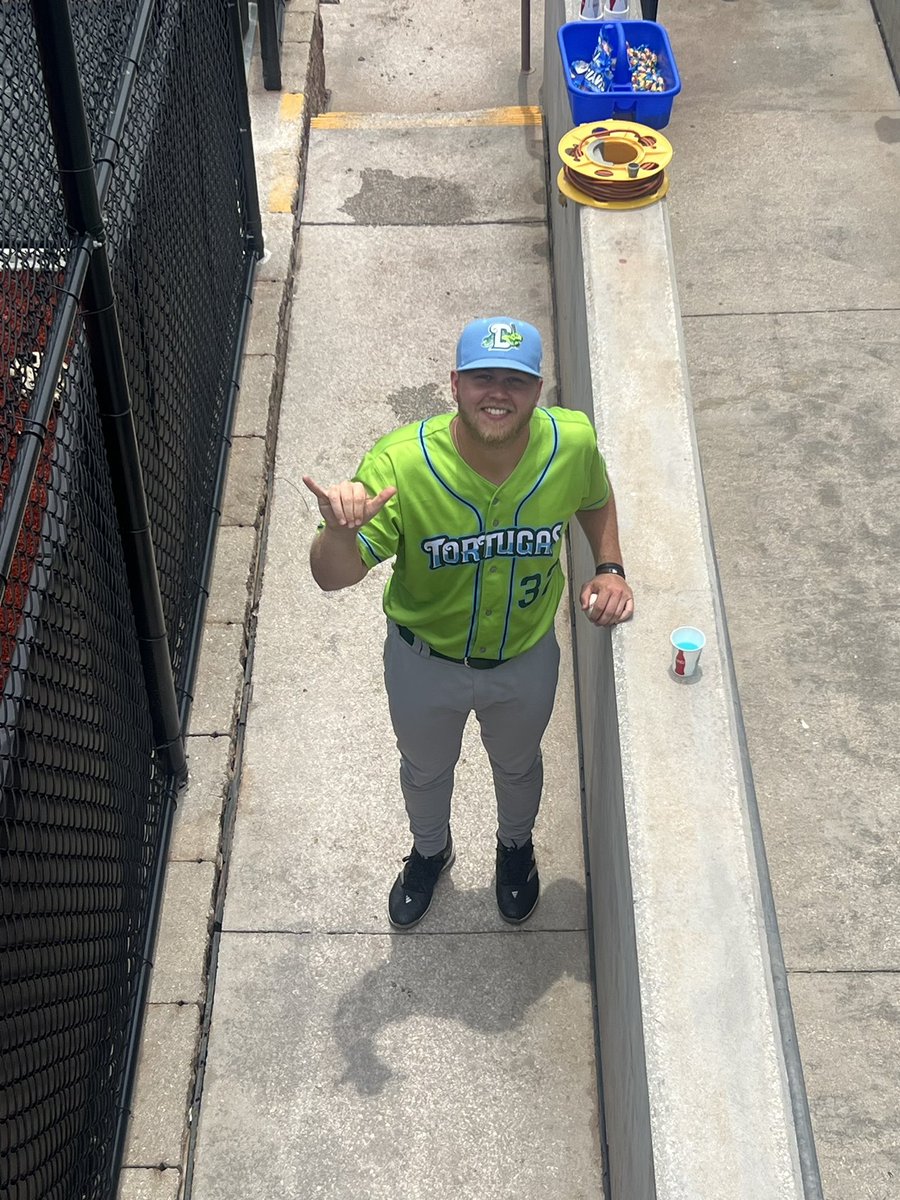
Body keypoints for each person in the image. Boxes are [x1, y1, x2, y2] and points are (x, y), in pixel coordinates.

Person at [303, 317, 633, 930]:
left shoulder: (572, 442)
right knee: (425, 769)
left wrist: (609, 565)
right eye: (483, 377)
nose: (498, 392)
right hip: (424, 664)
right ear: (454, 384)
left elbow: (594, 496)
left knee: (518, 765)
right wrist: (339, 532)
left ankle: (514, 847)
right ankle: (430, 851)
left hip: (526, 658)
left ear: (539, 390)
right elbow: (332, 576)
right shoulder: (401, 463)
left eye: (517, 379)